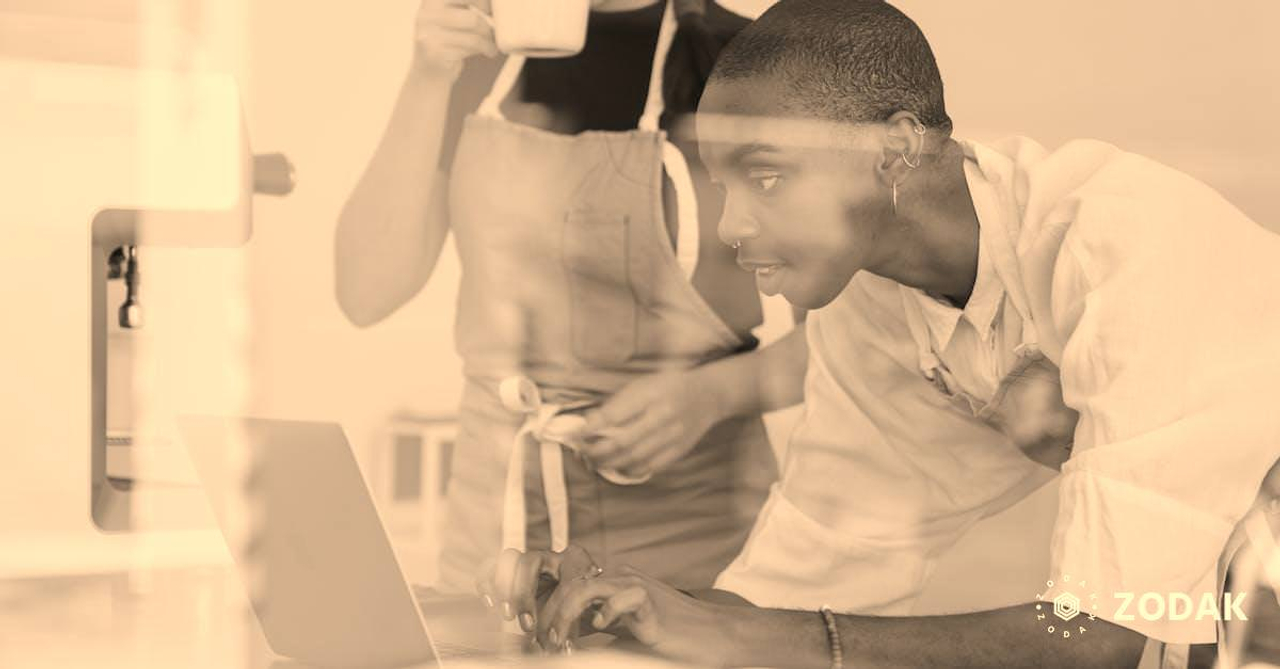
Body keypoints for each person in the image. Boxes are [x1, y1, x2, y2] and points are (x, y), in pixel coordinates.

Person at [481, 1, 1280, 666]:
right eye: (724, 185)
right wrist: (639, 612)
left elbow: (1096, 634)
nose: (731, 224)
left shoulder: (1126, 242)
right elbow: (803, 585)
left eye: (765, 177)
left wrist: (740, 631)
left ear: (894, 149)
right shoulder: (874, 313)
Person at [334, 0, 808, 597]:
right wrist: (428, 76)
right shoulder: (477, 61)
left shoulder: (743, 63)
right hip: (494, 550)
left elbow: (854, 339)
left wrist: (714, 394)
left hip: (690, 562)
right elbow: (365, 290)